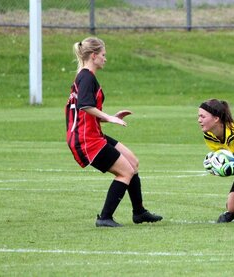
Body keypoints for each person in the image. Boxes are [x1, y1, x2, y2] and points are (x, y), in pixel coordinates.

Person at [65, 37, 163, 227]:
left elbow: (85, 110)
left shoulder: (85, 77)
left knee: (133, 162)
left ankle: (139, 212)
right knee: (125, 172)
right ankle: (104, 218)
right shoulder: (86, 76)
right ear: (93, 56)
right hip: (85, 139)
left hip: (92, 134)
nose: (105, 59)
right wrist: (109, 118)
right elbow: (85, 105)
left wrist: (108, 116)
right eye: (103, 55)